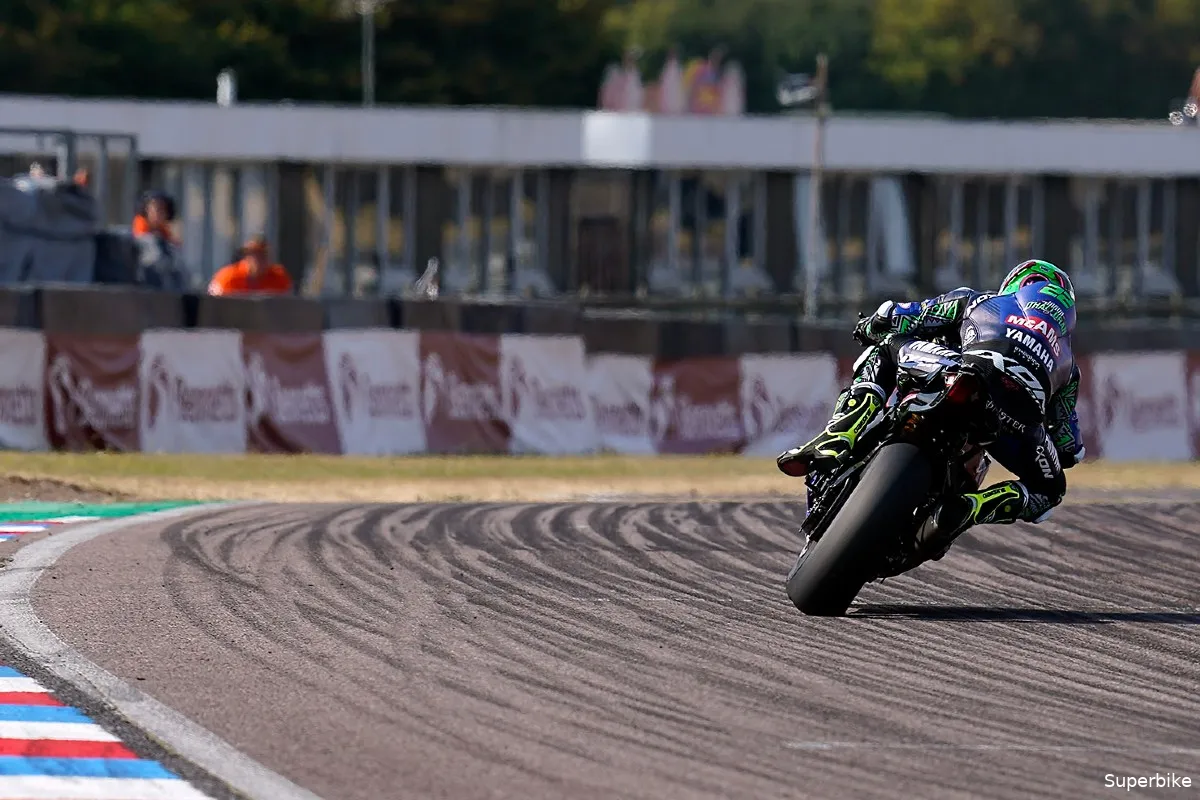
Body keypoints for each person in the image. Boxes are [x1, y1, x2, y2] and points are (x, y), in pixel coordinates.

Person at [777, 259, 1086, 558]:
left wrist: (871, 325)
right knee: (1050, 491)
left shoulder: (980, 301)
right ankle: (974, 508)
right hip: (1015, 417)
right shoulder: (1069, 365)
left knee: (885, 347)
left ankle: (841, 434)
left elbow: (901, 315)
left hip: (960, 370)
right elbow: (1068, 446)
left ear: (1014, 284)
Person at [207, 235, 294, 296]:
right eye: (255, 254)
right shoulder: (228, 276)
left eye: (263, 254)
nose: (259, 259)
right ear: (246, 256)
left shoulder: (279, 277)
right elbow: (214, 303)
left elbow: (288, 306)